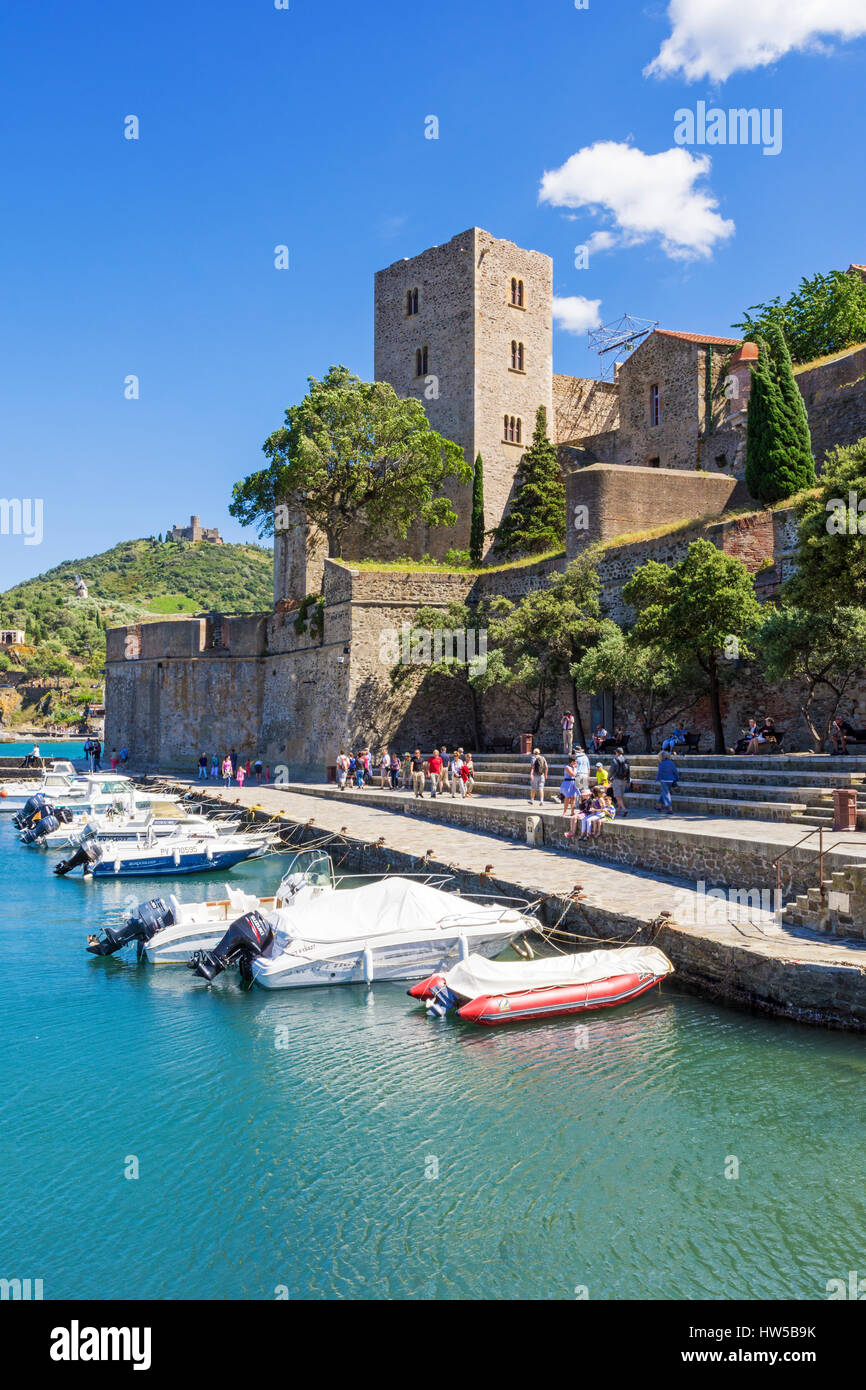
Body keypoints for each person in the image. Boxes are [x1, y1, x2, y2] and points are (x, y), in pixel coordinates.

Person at [609, 747, 630, 816]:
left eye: (616, 752)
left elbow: (611, 770)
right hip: (624, 780)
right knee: (620, 796)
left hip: (617, 780)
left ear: (617, 753)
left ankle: (624, 810)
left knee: (618, 796)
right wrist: (628, 781)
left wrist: (609, 778)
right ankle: (618, 810)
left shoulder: (614, 760)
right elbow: (628, 771)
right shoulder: (626, 760)